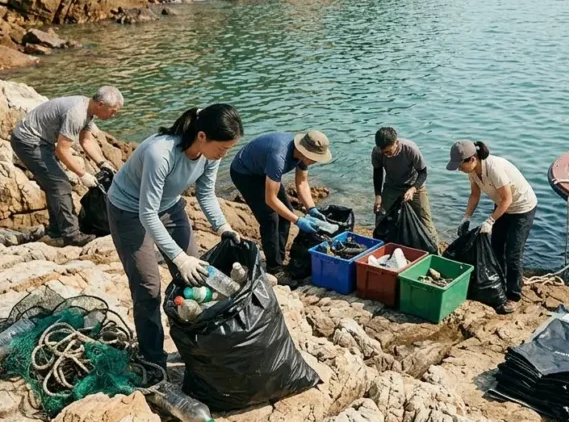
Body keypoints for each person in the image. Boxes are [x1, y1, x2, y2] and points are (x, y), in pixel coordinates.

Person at [106, 105, 244, 368]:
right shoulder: (161, 153)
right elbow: (147, 214)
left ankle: (193, 347)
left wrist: (223, 226)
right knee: (148, 288)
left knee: (196, 278)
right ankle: (153, 359)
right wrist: (179, 258)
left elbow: (205, 194)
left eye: (228, 149)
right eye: (222, 147)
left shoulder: (210, 155)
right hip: (129, 210)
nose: (223, 154)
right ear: (201, 136)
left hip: (168, 206)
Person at [10, 87, 123, 247]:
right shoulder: (77, 113)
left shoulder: (88, 111)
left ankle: (56, 231)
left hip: (42, 142)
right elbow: (62, 150)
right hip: (28, 142)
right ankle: (72, 235)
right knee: (60, 184)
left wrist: (102, 163)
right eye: (113, 111)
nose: (114, 115)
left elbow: (86, 141)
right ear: (101, 104)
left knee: (53, 184)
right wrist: (82, 174)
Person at [447, 140, 537, 314]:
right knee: (495, 246)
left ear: (472, 159)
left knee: (513, 252)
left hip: (522, 208)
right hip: (503, 206)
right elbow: (475, 194)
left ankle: (514, 295)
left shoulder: (494, 168)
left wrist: (490, 221)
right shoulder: (473, 171)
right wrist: (466, 217)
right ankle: (502, 282)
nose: (459, 169)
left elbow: (508, 199)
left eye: (460, 165)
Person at [230, 130, 332, 274]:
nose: (316, 161)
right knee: (270, 218)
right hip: (245, 172)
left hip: (263, 170)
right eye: (315, 158)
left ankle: (279, 258)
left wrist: (311, 209)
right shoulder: (279, 157)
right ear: (306, 152)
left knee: (286, 214)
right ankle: (274, 268)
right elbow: (270, 200)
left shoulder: (302, 155)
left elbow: (302, 183)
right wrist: (298, 220)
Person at [372, 127, 438, 244]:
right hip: (392, 186)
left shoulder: (410, 149)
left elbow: (423, 173)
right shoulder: (377, 151)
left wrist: (413, 189)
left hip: (414, 185)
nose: (386, 155)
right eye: (383, 152)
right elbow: (377, 172)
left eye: (388, 151)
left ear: (396, 143)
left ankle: (434, 249)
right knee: (381, 215)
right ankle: (380, 245)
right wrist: (378, 195)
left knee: (425, 220)